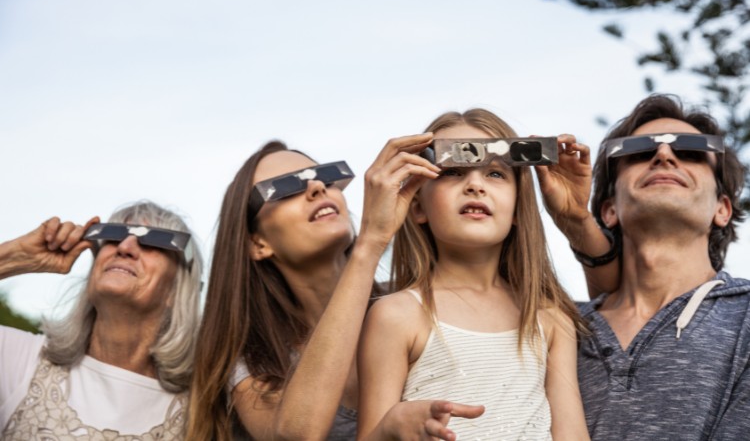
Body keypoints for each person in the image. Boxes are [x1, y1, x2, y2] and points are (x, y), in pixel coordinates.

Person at [187, 140, 482, 440]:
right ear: (257, 243)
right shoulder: (252, 359)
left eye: (325, 175)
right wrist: (369, 245)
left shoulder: (412, 303)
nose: (317, 186)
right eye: (286, 187)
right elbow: (296, 434)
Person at [357, 108, 590, 440]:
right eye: (453, 171)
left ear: (517, 208)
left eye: (495, 174)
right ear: (418, 206)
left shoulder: (550, 320)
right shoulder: (396, 315)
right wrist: (392, 426)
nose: (475, 185)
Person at [538, 94, 749, 439]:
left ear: (722, 209)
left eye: (691, 151)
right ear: (609, 210)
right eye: (639, 152)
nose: (664, 155)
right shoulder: (555, 328)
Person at [0, 200, 203, 438]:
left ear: (177, 289)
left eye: (153, 241)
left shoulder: (207, 408)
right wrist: (13, 258)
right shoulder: (17, 359)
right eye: (113, 236)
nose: (125, 247)